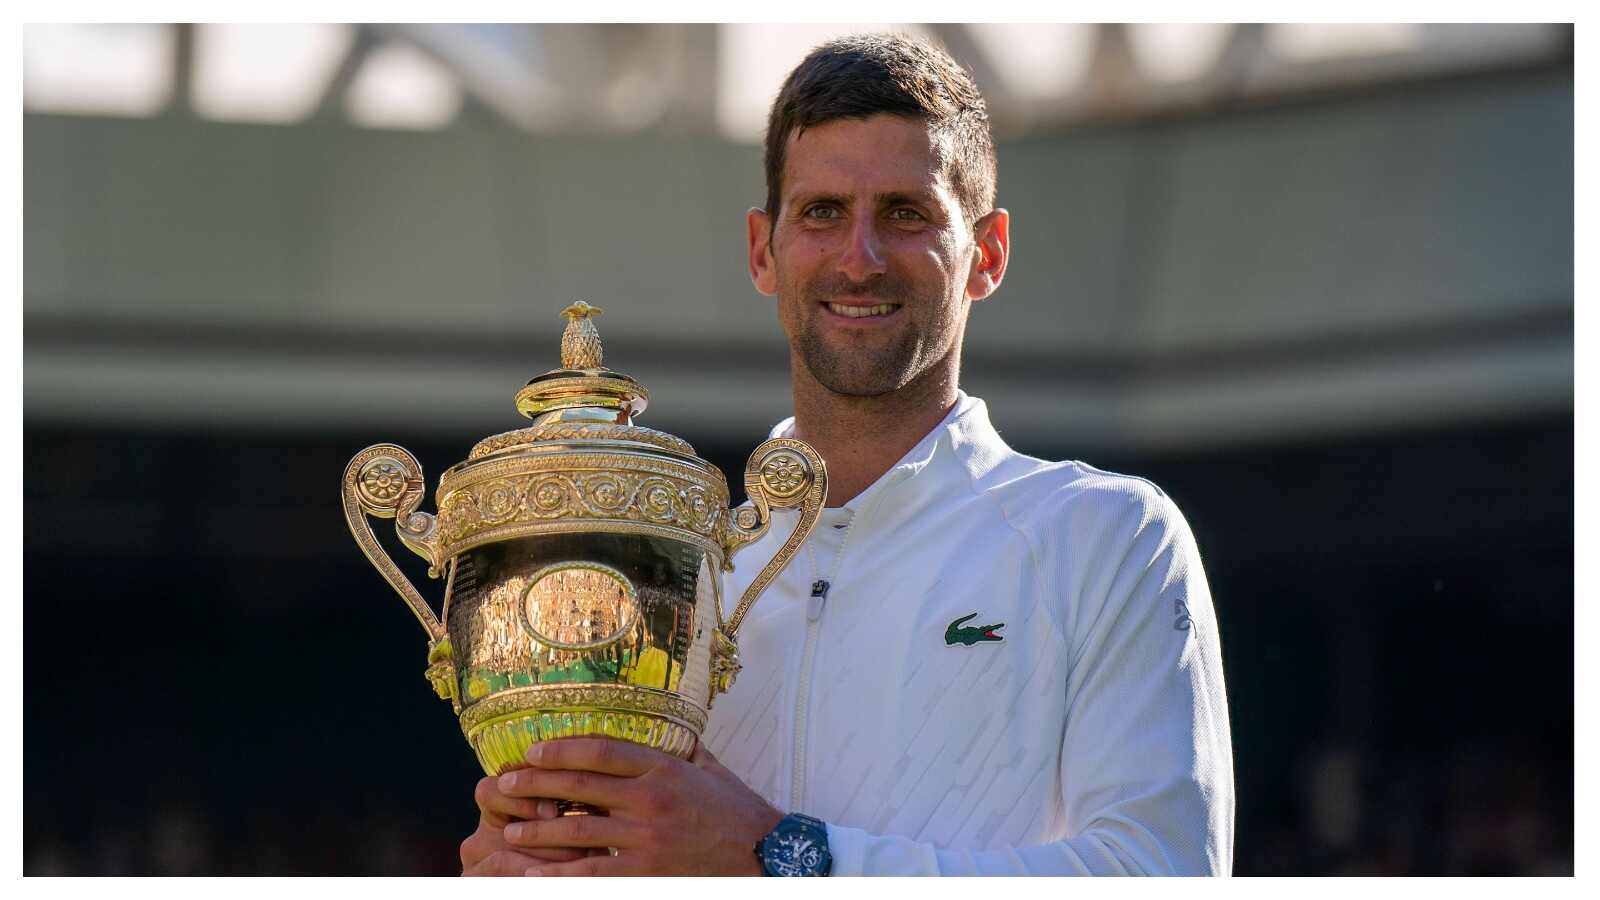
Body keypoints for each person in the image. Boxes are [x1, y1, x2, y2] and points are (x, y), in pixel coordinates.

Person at [459, 31, 1233, 876]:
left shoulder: (1108, 539)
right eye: (822, 213)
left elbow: (1164, 873)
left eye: (906, 213)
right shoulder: (674, 568)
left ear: (990, 254)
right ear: (764, 249)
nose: (859, 259)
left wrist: (783, 856)